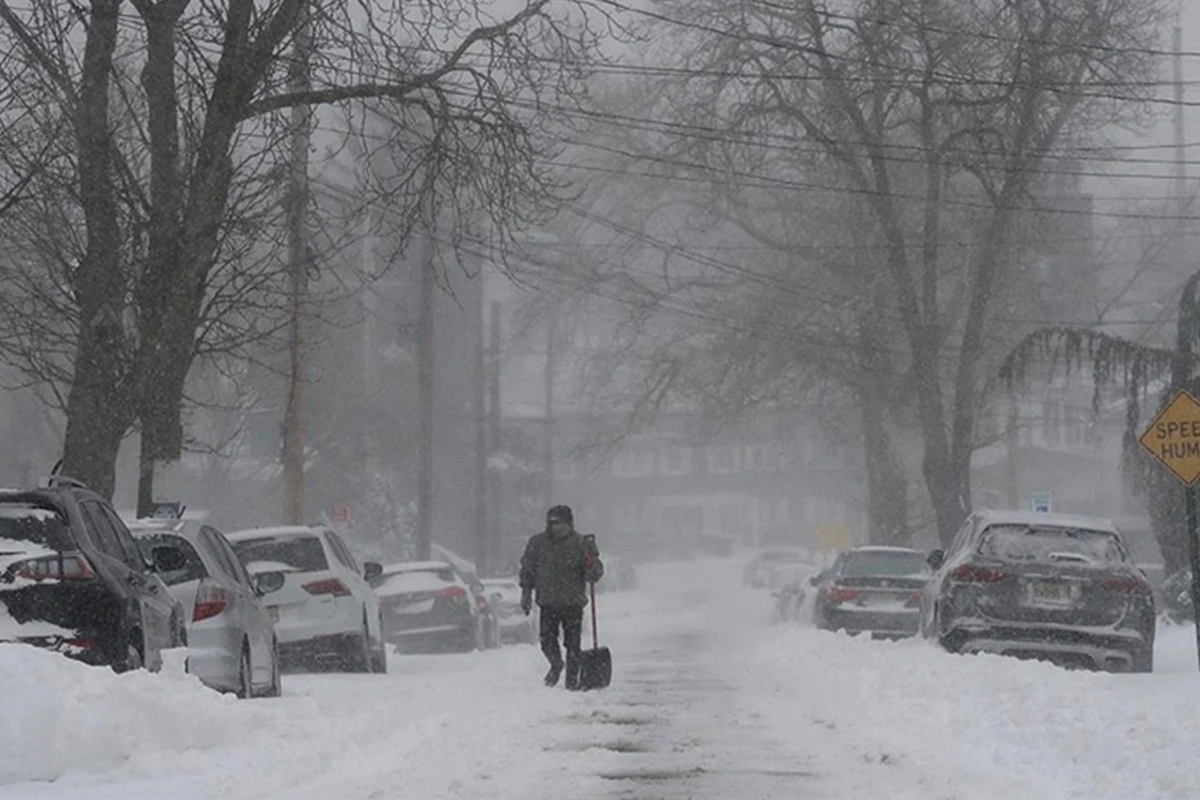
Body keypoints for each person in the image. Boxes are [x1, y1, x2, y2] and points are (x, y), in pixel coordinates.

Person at [519, 505, 604, 689]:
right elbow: (527, 570)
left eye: (560, 524)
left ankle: (571, 682)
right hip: (548, 603)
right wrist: (526, 593)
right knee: (546, 641)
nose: (556, 527)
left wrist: (592, 560)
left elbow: (594, 574)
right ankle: (556, 664)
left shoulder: (580, 543)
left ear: (569, 524)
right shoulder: (537, 543)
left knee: (573, 645)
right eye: (553, 523)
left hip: (572, 603)